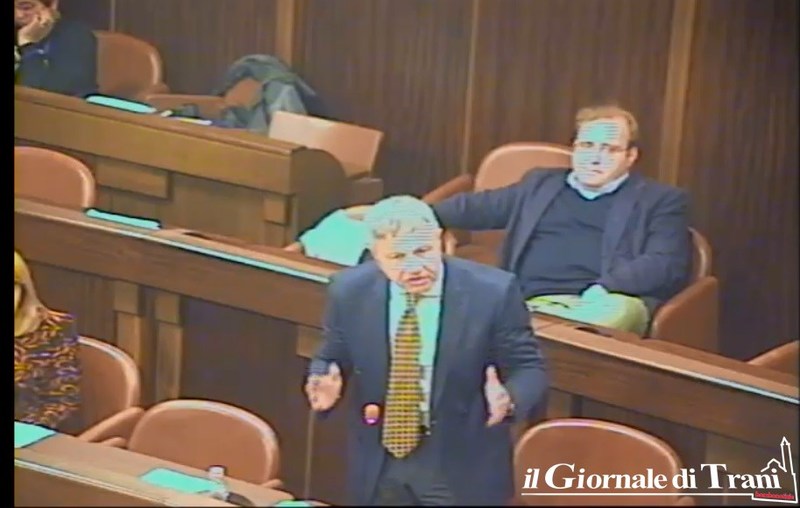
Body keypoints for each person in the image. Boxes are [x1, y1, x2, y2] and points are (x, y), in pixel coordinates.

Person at [305, 196, 548, 505]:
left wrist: (508, 399)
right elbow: (331, 354)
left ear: (440, 240)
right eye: (397, 256)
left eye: (422, 251)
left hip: (460, 463)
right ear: (375, 254)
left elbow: (529, 367)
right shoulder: (349, 290)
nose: (414, 268)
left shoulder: (492, 292)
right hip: (380, 460)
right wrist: (321, 380)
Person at [432, 104, 692, 335]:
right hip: (529, 300)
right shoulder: (540, 184)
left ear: (630, 156)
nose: (595, 158)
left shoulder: (660, 200)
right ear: (574, 148)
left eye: (609, 149)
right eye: (587, 146)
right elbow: (477, 207)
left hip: (601, 302)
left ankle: (525, 329)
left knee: (613, 312)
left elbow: (665, 262)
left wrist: (606, 287)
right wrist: (419, 213)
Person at [15, 250, 82, 430]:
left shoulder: (53, 330)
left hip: (28, 433)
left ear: (24, 290)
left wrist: (23, 431)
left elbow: (62, 402)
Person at [15, 0, 98, 97]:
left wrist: (28, 44)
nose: (18, 15)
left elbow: (47, 93)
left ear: (52, 5)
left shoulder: (77, 35)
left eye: (26, 8)